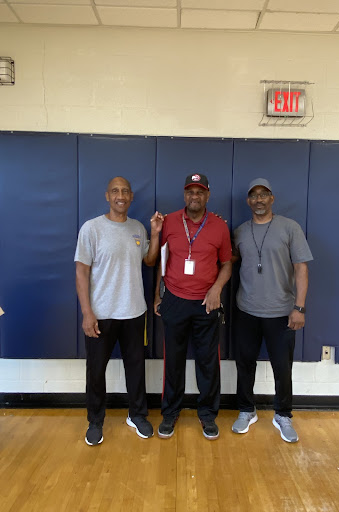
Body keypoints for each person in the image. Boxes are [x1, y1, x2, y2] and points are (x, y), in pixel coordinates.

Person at [75, 176, 164, 445]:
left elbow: (149, 260)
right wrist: (87, 313)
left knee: (136, 368)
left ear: (132, 197)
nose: (120, 195)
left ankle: (137, 415)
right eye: (115, 191)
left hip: (134, 312)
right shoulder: (92, 228)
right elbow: (81, 271)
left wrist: (156, 233)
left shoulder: (138, 228)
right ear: (107, 196)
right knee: (96, 370)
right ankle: (95, 421)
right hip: (101, 314)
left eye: (125, 191)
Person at [232, 178, 313, 443]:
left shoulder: (290, 228)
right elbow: (228, 259)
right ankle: (246, 410)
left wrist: (299, 307)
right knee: (245, 364)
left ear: (272, 198)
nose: (259, 200)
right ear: (248, 201)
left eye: (263, 194)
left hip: (281, 312)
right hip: (246, 310)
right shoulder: (240, 231)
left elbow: (301, 268)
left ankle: (283, 415)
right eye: (253, 195)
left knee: (282, 367)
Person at [154, 173, 232, 440]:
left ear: (208, 195)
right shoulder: (170, 222)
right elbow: (162, 262)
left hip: (206, 303)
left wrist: (216, 289)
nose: (194, 196)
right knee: (173, 362)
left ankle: (208, 415)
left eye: (199, 192)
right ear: (184, 195)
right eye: (190, 192)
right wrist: (157, 295)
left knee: (208, 362)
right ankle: (170, 413)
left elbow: (227, 264)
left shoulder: (220, 227)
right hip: (174, 299)